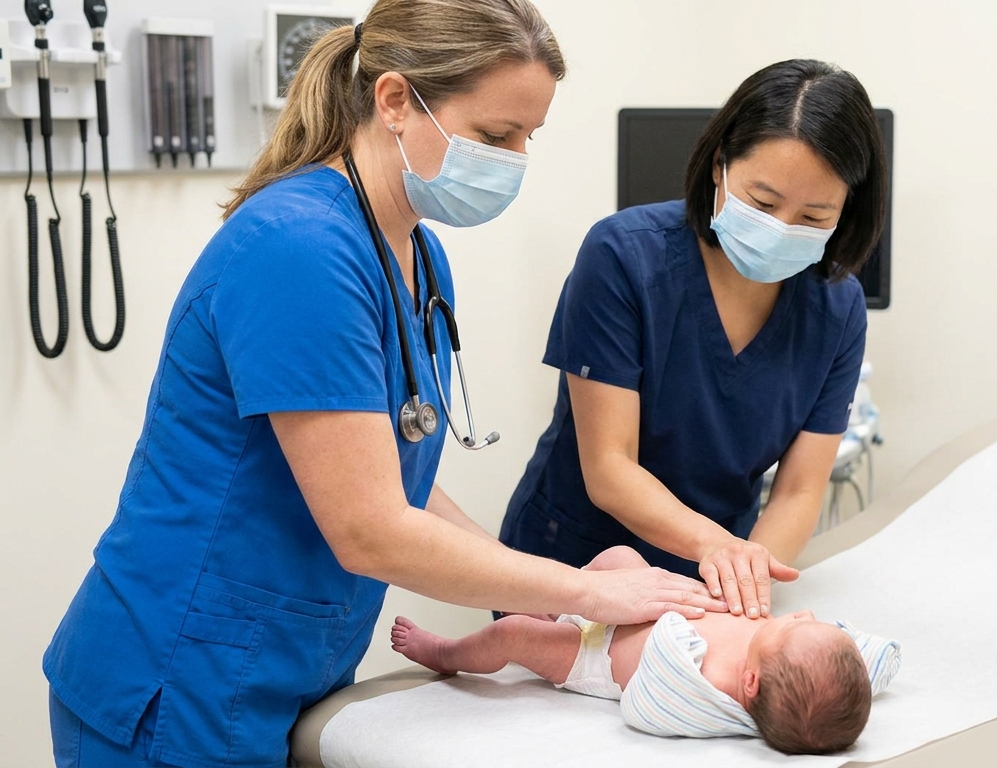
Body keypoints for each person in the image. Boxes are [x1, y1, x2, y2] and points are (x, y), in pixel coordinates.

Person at [42, 2, 722, 766]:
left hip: (282, 658)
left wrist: (532, 591)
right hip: (181, 670)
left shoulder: (416, 256)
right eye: (497, 135)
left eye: (530, 137)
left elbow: (392, 473)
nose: (515, 159)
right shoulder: (300, 250)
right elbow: (370, 525)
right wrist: (585, 592)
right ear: (394, 100)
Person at [499, 59, 889, 621]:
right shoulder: (623, 257)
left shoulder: (837, 306)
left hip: (716, 585)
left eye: (813, 215)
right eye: (762, 201)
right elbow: (610, 468)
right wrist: (720, 552)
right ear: (718, 166)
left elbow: (800, 491)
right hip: (577, 574)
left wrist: (742, 584)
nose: (782, 226)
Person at [391, 546, 901, 755]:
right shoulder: (799, 671)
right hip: (634, 600)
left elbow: (645, 706)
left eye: (791, 628)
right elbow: (844, 667)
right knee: (620, 556)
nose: (800, 615)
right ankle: (560, 601)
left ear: (751, 684)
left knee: (514, 635)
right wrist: (863, 657)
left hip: (594, 655)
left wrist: (672, 627)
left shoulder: (712, 693)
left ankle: (445, 651)